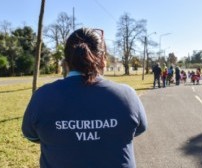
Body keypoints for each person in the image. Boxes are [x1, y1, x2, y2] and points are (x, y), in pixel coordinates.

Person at [22, 28, 147, 168]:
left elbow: (31, 135)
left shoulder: (42, 97)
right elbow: (139, 129)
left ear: (66, 61)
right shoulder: (127, 95)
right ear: (103, 59)